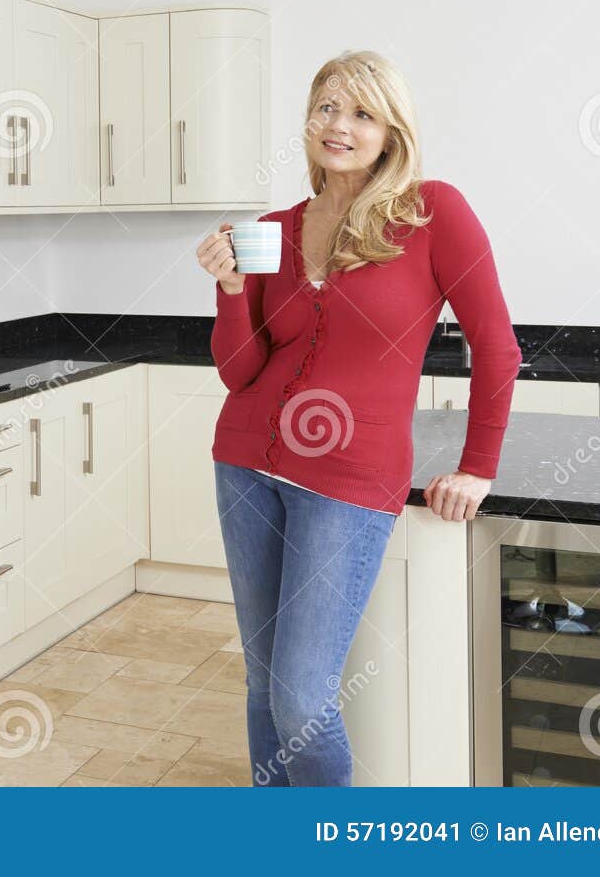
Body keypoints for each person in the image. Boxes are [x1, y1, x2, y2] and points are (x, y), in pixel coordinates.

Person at [193, 50, 521, 786]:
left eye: (362, 113)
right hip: (245, 464)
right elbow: (240, 370)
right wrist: (230, 288)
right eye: (326, 108)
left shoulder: (435, 214)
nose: (338, 125)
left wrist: (478, 465)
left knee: (301, 697)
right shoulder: (274, 227)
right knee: (261, 686)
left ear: (390, 130)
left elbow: (497, 348)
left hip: (348, 480)